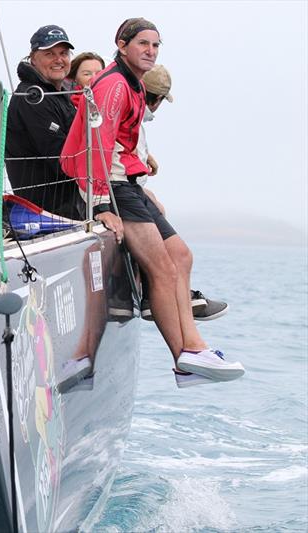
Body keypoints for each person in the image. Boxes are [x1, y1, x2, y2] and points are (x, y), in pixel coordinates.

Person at [60, 18, 244, 387]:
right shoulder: (113, 84)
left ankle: (192, 351)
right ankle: (186, 355)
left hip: (129, 184)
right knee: (161, 269)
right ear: (122, 44)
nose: (150, 51)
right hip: (113, 186)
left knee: (181, 256)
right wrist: (100, 205)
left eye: (156, 45)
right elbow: (98, 144)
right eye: (143, 43)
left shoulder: (135, 84)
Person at [136, 65, 229, 322]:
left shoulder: (134, 116)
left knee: (161, 219)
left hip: (133, 189)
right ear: (156, 100)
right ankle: (166, 303)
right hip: (126, 192)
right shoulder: (132, 112)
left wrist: (145, 158)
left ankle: (158, 295)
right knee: (177, 256)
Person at [6, 25, 84, 221]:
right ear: (33, 58)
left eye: (63, 53)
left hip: (70, 205)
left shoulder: (58, 94)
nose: (58, 60)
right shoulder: (32, 96)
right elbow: (63, 161)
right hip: (49, 213)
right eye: (49, 54)